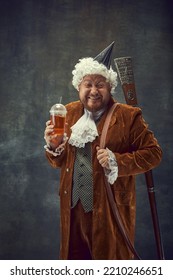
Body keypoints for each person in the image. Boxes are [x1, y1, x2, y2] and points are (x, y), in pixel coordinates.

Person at [44, 42, 162, 260]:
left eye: (101, 84)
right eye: (88, 84)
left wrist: (116, 160)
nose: (94, 91)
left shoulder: (128, 116)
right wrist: (53, 147)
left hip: (110, 211)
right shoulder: (66, 113)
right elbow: (58, 162)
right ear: (79, 87)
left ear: (110, 88)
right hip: (72, 212)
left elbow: (154, 154)